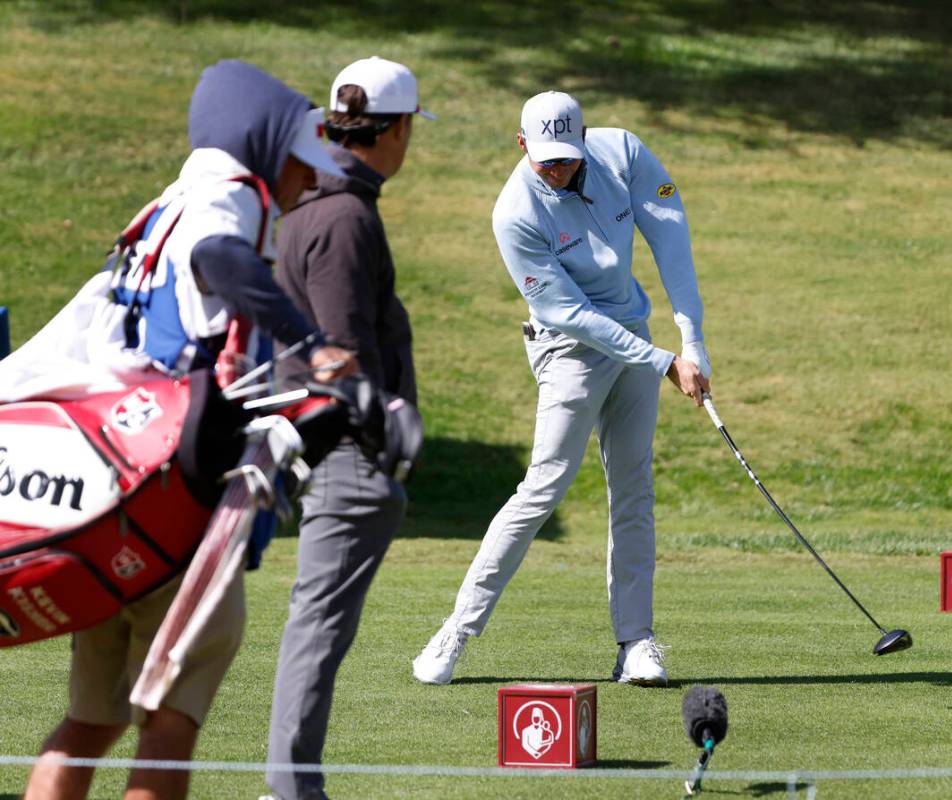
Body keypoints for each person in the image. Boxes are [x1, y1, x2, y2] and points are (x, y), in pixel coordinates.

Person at [23, 60, 356, 800]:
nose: (311, 179)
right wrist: (311, 341)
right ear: (266, 142)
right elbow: (221, 257)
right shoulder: (231, 197)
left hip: (113, 496)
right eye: (304, 160)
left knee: (89, 724)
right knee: (170, 725)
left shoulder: (162, 205)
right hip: (176, 504)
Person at [412, 91, 710, 687]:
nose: (558, 169)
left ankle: (636, 643)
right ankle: (456, 632)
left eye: (567, 158)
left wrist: (691, 339)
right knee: (543, 486)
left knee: (633, 486)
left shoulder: (621, 152)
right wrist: (660, 361)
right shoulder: (514, 213)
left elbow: (670, 232)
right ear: (522, 145)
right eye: (546, 159)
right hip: (568, 350)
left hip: (633, 335)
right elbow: (569, 314)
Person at [260, 56, 430, 800]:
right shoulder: (344, 215)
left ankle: (292, 788)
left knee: (318, 628)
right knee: (318, 630)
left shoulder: (316, 203)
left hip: (329, 449)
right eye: (410, 128)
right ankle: (289, 792)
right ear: (394, 129)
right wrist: (386, 436)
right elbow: (342, 350)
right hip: (345, 454)